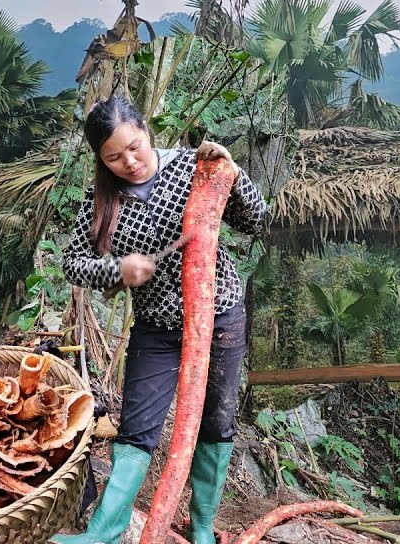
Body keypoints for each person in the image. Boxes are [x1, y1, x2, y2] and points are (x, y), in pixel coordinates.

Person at [53, 95, 268, 544]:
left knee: (216, 420)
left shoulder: (193, 166)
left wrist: (231, 168)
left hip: (219, 315)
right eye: (113, 156)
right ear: (100, 158)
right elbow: (71, 263)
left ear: (146, 130)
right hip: (157, 325)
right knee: (138, 426)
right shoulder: (99, 199)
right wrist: (118, 269)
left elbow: (257, 221)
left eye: (135, 146)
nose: (129, 162)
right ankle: (103, 534)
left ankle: (203, 524)